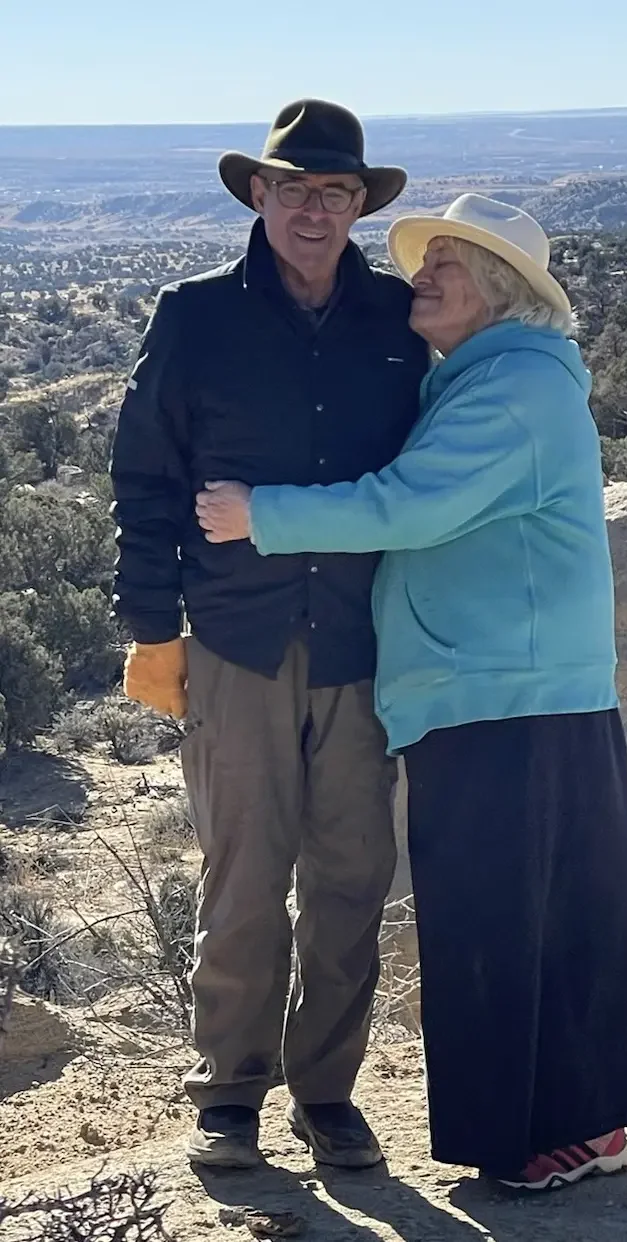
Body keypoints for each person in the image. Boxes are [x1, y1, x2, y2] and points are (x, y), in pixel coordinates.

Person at [195, 193, 627, 1191]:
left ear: (500, 292)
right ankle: (577, 1128)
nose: (424, 275)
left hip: (507, 687)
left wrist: (262, 516)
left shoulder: (511, 392)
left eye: (449, 263)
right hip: (500, 682)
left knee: (502, 920)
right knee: (538, 913)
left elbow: (413, 507)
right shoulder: (483, 379)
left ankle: (549, 1137)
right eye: (426, 260)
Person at [110, 99, 429, 1170]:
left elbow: (430, 477)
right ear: (259, 194)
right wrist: (155, 630)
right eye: (294, 188)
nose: (313, 209)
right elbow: (144, 477)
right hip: (236, 643)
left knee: (351, 875)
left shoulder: (396, 320)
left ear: (357, 206)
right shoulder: (195, 316)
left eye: (335, 193)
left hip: (361, 640)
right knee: (243, 879)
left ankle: (326, 1093)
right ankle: (230, 1090)